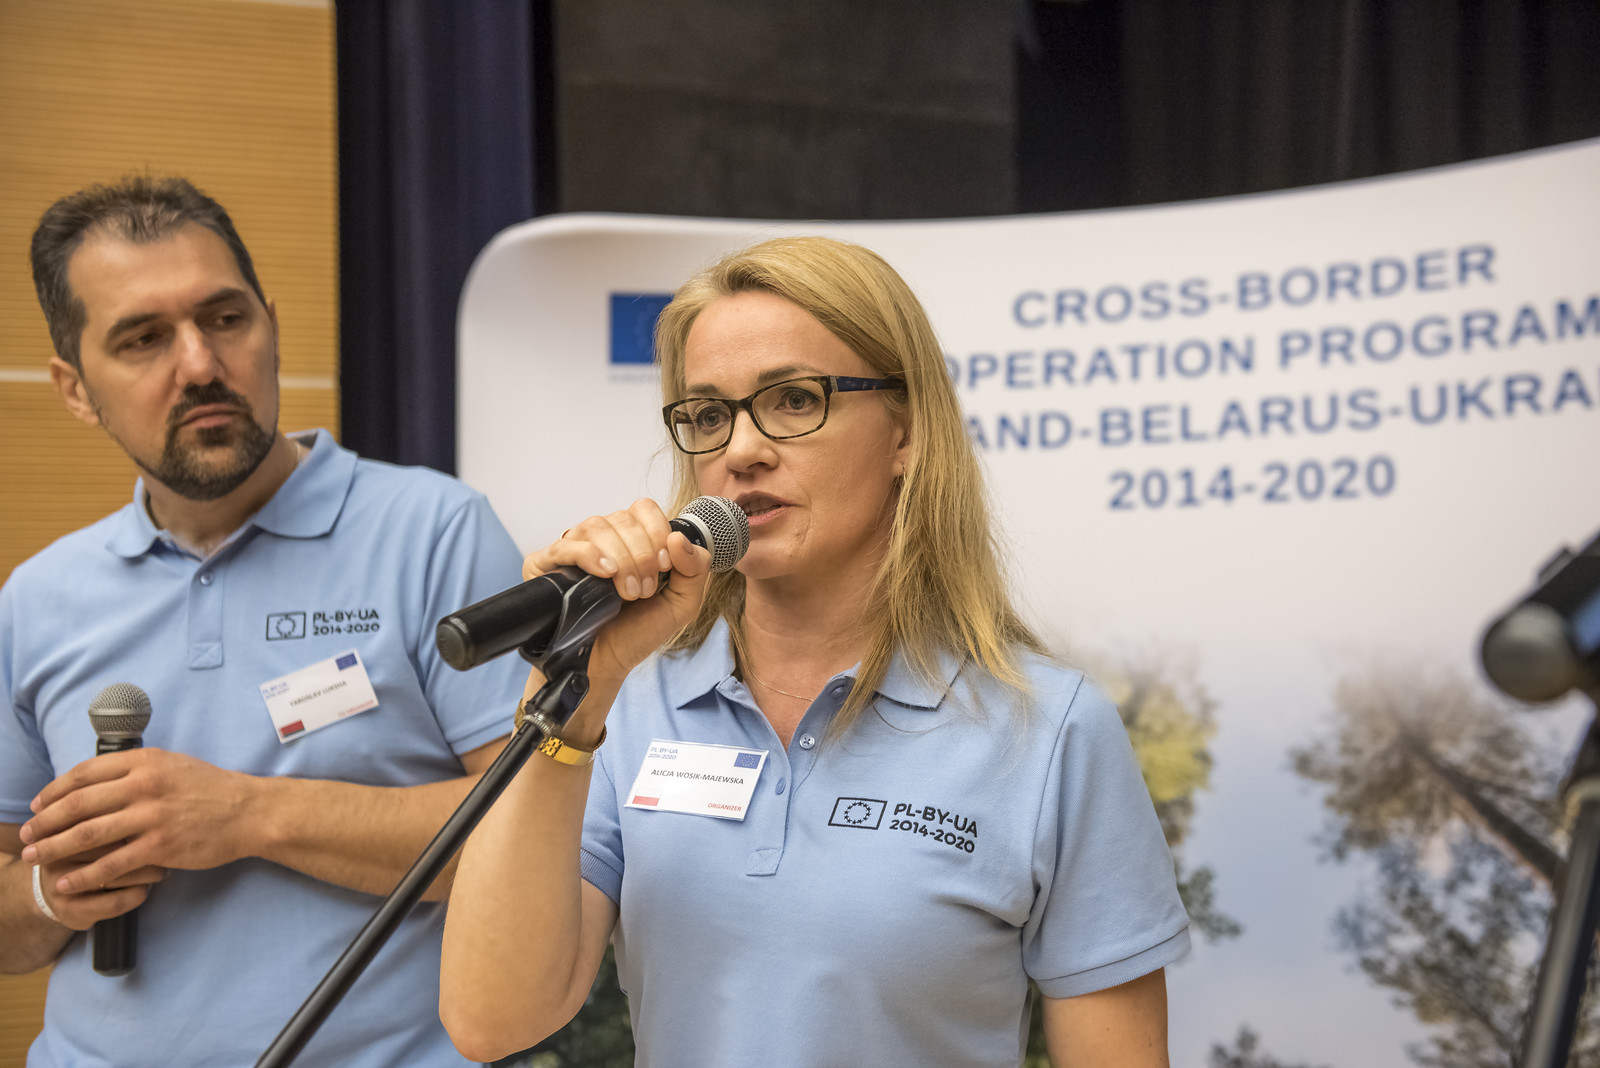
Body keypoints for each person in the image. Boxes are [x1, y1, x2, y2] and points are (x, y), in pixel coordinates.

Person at [440, 236, 1190, 1066]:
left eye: (795, 400)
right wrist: (570, 693)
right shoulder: (633, 704)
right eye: (708, 415)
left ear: (907, 434)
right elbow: (491, 1020)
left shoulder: (1047, 728)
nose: (741, 450)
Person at [0, 176, 527, 1067]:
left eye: (225, 318)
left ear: (271, 326)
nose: (201, 365)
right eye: (142, 339)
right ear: (76, 388)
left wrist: (247, 815)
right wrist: (54, 893)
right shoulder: (38, 596)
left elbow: (536, 841)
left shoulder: (434, 531)